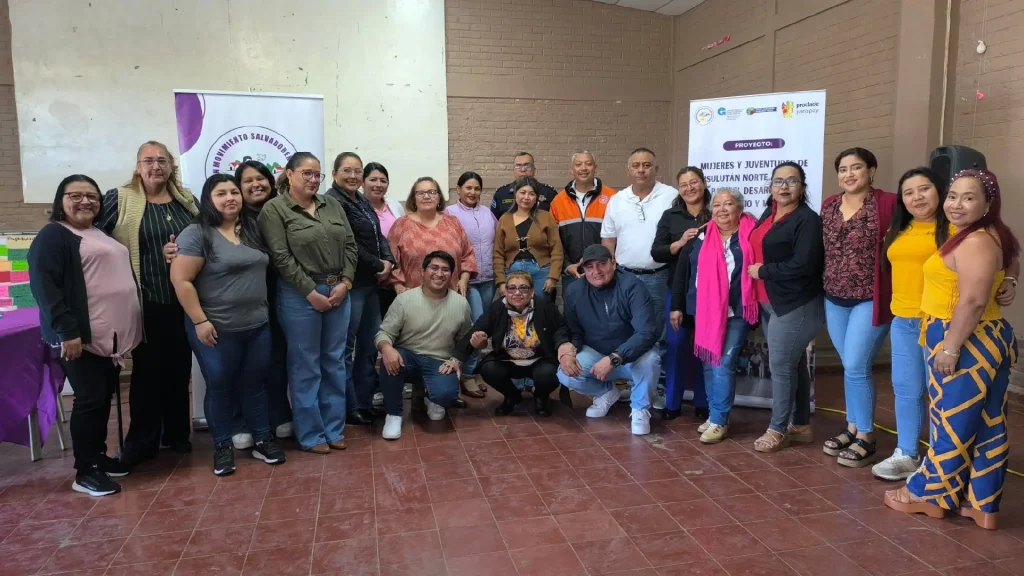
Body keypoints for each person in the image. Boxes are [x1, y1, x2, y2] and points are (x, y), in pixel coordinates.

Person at [884, 168, 1019, 531]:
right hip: (982, 336)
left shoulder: (975, 241)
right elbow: (1011, 262)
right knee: (987, 423)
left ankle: (930, 495)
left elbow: (972, 301)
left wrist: (951, 348)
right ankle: (981, 503)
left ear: (988, 204)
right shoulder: (988, 234)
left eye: (969, 197)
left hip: (963, 337)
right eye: (953, 196)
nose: (957, 204)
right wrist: (1011, 279)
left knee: (950, 424)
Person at [29, 175, 141, 496]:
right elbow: (46, 288)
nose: (85, 201)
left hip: (108, 339)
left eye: (92, 196)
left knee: (101, 397)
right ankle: (85, 470)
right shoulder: (54, 235)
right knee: (90, 399)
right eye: (75, 195)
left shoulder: (99, 232)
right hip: (80, 339)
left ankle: (97, 457)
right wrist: (67, 331)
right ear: (60, 200)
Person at [170, 174, 287, 475]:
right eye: (221, 193)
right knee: (220, 385)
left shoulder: (252, 229)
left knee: (254, 383)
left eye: (234, 192)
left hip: (257, 325)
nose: (230, 198)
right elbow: (181, 281)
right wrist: (200, 321)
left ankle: (262, 439)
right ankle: (222, 446)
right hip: (215, 328)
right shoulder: (196, 233)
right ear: (209, 200)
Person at [98, 141, 198, 464]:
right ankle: (142, 442)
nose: (156, 166)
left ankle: (176, 434)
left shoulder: (187, 201)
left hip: (184, 299)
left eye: (162, 161)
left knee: (179, 368)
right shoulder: (119, 198)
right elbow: (96, 241)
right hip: (146, 299)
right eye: (148, 161)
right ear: (138, 166)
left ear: (171, 165)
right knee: (147, 373)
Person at [257, 152, 357, 454]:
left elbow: (350, 246)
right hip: (299, 295)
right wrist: (310, 292)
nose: (313, 180)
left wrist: (346, 282)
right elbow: (281, 257)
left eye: (317, 175)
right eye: (307, 173)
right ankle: (312, 434)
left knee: (334, 362)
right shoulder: (274, 209)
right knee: (306, 365)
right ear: (290, 174)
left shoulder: (332, 204)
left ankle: (334, 428)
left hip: (339, 290)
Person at [872, 167, 953, 480]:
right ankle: (906, 453)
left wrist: (1010, 280)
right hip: (903, 321)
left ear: (939, 192)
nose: (917, 197)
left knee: (939, 393)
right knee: (906, 390)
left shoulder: (955, 228)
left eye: (924, 189)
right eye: (909, 192)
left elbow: (1006, 253)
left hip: (938, 322)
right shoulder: (899, 230)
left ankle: (938, 460)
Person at [820, 148, 897, 467]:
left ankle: (866, 435)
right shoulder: (829, 205)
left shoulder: (888, 203)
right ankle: (852, 427)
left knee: (856, 364)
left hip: (871, 297)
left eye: (856, 167)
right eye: (843, 169)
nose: (849, 174)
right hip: (834, 297)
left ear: (871, 170)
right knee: (849, 365)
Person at [747, 162, 825, 453]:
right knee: (793, 363)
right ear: (770, 187)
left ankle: (778, 429)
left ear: (802, 188)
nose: (784, 186)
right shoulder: (770, 213)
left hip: (795, 303)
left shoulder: (807, 220)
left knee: (780, 367)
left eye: (791, 181)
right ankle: (801, 425)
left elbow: (804, 264)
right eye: (778, 181)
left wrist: (764, 271)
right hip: (769, 301)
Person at [673, 188, 758, 444]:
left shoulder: (751, 233)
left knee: (722, 362)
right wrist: (678, 305)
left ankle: (720, 420)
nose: (722, 209)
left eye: (728, 204)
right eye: (717, 204)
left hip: (736, 310)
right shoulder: (701, 235)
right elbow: (684, 271)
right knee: (709, 361)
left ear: (739, 208)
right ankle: (714, 414)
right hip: (706, 310)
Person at [557, 244, 660, 436]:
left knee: (651, 360)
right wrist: (568, 350)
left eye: (601, 264)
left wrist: (615, 357)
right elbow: (574, 331)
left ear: (613, 263)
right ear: (583, 269)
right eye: (589, 267)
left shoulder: (633, 286)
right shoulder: (574, 291)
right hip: (596, 352)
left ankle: (640, 408)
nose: (596, 271)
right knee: (565, 373)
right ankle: (605, 392)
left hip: (631, 355)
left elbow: (646, 332)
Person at [601, 148, 677, 406]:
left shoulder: (671, 196)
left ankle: (658, 388)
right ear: (628, 170)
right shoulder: (617, 200)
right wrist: (610, 269)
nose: (641, 170)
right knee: (627, 331)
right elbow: (608, 238)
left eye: (647, 165)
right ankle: (634, 385)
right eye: (636, 165)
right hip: (624, 277)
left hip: (658, 277)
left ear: (656, 169)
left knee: (657, 333)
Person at [325, 152, 395, 426]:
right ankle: (348, 406)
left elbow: (378, 235)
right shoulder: (332, 201)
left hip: (370, 285)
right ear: (334, 174)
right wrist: (378, 264)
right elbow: (349, 243)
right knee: (345, 349)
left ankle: (365, 402)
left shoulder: (362, 200)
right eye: (347, 170)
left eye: (357, 171)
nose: (353, 176)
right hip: (350, 284)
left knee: (370, 345)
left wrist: (388, 260)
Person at [376, 251, 473, 439]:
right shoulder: (404, 300)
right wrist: (387, 348)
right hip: (407, 358)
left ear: (451, 274)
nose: (439, 274)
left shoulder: (461, 304)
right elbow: (384, 333)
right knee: (390, 360)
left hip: (439, 361)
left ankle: (432, 396)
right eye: (434, 268)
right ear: (423, 271)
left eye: (445, 269)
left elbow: (465, 341)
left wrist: (456, 362)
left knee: (445, 396)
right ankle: (394, 414)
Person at [230, 160, 293, 448]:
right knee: (245, 363)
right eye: (248, 181)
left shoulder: (283, 210)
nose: (256, 184)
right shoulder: (230, 216)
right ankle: (242, 421)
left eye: (261, 178)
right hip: (243, 299)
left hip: (279, 293)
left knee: (277, 357)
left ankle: (279, 414)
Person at [456, 271, 569, 417]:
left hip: (540, 360)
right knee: (488, 369)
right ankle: (512, 395)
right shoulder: (497, 308)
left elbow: (561, 328)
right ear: (506, 291)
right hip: (508, 360)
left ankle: (541, 397)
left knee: (550, 373)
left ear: (532, 292)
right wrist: (456, 360)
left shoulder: (545, 306)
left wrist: (563, 346)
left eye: (523, 288)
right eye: (512, 288)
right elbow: (476, 330)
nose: (517, 293)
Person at [657, 166, 712, 421]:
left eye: (694, 182)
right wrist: (678, 243)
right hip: (677, 291)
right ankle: (672, 403)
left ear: (703, 183)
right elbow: (656, 251)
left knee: (703, 347)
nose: (689, 188)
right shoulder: (671, 216)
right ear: (678, 189)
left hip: (709, 293)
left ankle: (703, 401)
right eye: (683, 184)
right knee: (676, 345)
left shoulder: (716, 212)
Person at [445, 171, 498, 399]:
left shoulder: (488, 214)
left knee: (483, 326)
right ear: (458, 189)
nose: (472, 192)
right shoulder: (449, 213)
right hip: (466, 280)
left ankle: (474, 371)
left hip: (488, 279)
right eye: (468, 187)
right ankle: (466, 374)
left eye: (477, 188)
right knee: (475, 325)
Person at [388, 177, 477, 296]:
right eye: (420, 193)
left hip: (451, 295)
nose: (426, 196)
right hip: (412, 297)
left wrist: (464, 280)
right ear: (414, 199)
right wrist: (398, 286)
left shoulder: (453, 222)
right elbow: (392, 261)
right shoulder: (401, 225)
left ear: (439, 197)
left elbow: (468, 255)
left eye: (432, 192)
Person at [549, 150, 617, 294]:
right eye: (578, 164)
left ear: (595, 168)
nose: (584, 168)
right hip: (573, 274)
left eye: (588, 164)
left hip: (604, 273)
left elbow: (620, 235)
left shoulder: (613, 197)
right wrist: (567, 266)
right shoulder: (558, 201)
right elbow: (554, 240)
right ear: (571, 169)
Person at [494, 176, 563, 303]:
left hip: (541, 272)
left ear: (536, 197)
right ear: (515, 194)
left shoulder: (546, 217)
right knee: (515, 308)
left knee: (540, 308)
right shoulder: (504, 219)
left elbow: (557, 249)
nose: (526, 197)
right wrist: (501, 281)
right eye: (523, 192)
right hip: (512, 272)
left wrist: (553, 277)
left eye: (531, 194)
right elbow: (498, 253)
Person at [362, 162, 405, 316]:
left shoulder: (394, 205)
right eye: (373, 180)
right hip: (370, 275)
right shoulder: (357, 208)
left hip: (395, 276)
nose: (378, 185)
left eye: (383, 181)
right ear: (362, 182)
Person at [490, 151, 556, 219]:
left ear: (534, 170)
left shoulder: (549, 193)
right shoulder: (501, 194)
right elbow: (494, 222)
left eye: (527, 165)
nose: (523, 169)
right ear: (513, 171)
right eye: (518, 166)